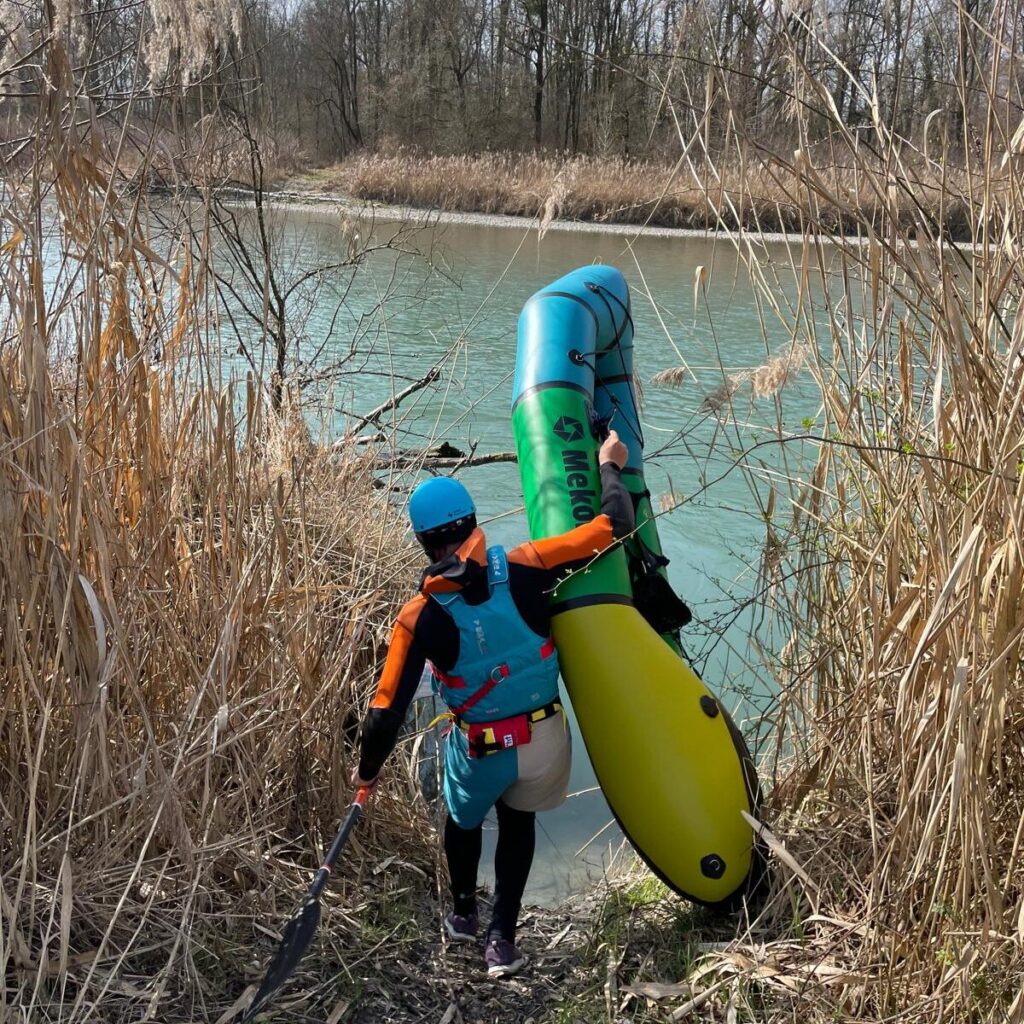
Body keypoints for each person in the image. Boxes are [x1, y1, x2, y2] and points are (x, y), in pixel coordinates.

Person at [353, 430, 634, 978]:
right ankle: (502, 939)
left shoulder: (417, 618)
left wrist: (367, 774)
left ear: (422, 541)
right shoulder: (530, 562)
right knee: (518, 821)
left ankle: (464, 915)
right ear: (473, 521)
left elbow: (385, 712)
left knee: (461, 823)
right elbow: (612, 527)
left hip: (479, 748)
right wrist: (609, 464)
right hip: (543, 743)